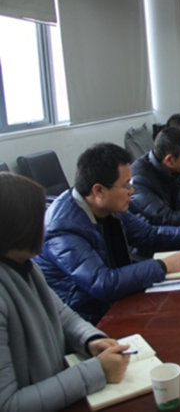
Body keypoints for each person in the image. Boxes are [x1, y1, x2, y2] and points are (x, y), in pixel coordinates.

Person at [34, 143, 180, 324]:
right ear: (98, 190)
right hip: (87, 319)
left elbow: (148, 234)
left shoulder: (109, 206)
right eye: (125, 185)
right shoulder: (62, 228)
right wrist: (164, 265)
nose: (132, 190)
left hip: (116, 302)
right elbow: (103, 283)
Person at [0, 172, 131, 412]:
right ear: (17, 226)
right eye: (37, 218)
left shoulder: (27, 265)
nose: (44, 225)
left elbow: (63, 315)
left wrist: (91, 340)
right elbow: (8, 404)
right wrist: (97, 371)